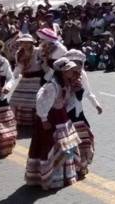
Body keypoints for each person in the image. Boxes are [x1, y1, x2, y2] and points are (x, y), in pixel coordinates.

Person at [25, 58, 83, 189]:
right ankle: (51, 176)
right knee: (53, 146)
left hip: (61, 118)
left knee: (66, 146)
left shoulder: (65, 83)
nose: (72, 71)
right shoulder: (52, 85)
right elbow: (41, 102)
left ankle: (64, 175)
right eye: (70, 69)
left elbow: (67, 101)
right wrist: (44, 119)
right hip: (51, 120)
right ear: (62, 72)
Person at [64, 49, 103, 177]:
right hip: (65, 112)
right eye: (74, 62)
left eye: (79, 63)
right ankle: (68, 167)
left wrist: (96, 105)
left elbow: (88, 92)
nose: (77, 65)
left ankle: (81, 166)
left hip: (78, 112)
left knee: (84, 139)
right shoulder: (62, 76)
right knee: (68, 141)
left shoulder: (83, 75)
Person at [9, 34, 44, 126]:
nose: (25, 44)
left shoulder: (38, 51)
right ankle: (22, 121)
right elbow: (18, 67)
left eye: (28, 42)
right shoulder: (18, 53)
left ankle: (37, 120)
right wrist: (12, 78)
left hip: (37, 78)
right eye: (23, 42)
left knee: (35, 100)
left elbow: (44, 63)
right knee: (16, 99)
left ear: (32, 43)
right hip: (25, 78)